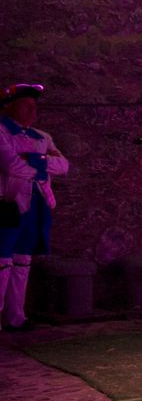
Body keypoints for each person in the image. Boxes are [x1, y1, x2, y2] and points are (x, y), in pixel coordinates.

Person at [1, 83, 68, 329]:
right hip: (8, 204)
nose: (32, 111)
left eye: (34, 106)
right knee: (2, 261)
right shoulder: (1, 132)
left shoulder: (42, 137)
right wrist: (41, 165)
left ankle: (15, 317)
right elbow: (10, 166)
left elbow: (63, 166)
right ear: (10, 106)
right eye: (26, 106)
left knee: (22, 261)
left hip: (36, 204)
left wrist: (31, 160)